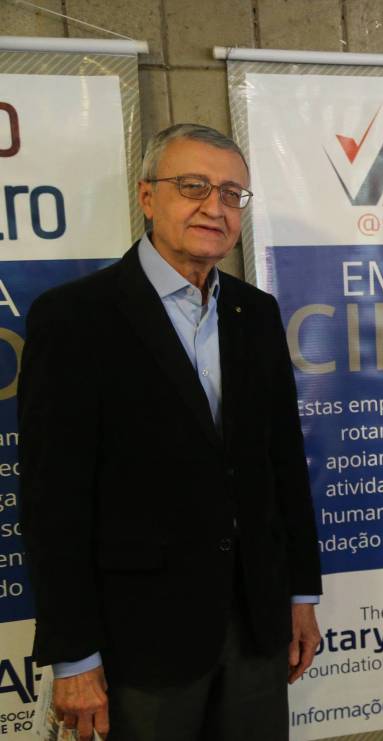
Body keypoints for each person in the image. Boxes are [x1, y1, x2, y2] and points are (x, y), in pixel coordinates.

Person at [19, 123, 323, 741]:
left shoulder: (256, 313)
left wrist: (300, 595)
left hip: (256, 626)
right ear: (147, 197)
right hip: (139, 640)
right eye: (193, 186)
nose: (215, 207)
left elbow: (283, 465)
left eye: (232, 193)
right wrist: (74, 656)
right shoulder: (74, 318)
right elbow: (55, 502)